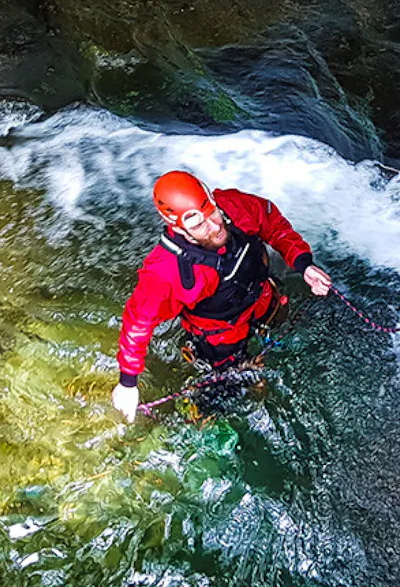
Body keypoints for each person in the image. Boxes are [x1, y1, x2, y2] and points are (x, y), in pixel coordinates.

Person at [110, 170, 333, 422]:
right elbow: (138, 321)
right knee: (244, 387)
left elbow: (273, 224)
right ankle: (198, 412)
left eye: (212, 212)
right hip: (221, 332)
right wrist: (128, 382)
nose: (215, 227)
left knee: (282, 316)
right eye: (198, 225)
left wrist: (303, 263)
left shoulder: (234, 207)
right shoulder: (166, 272)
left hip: (262, 297)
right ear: (178, 228)